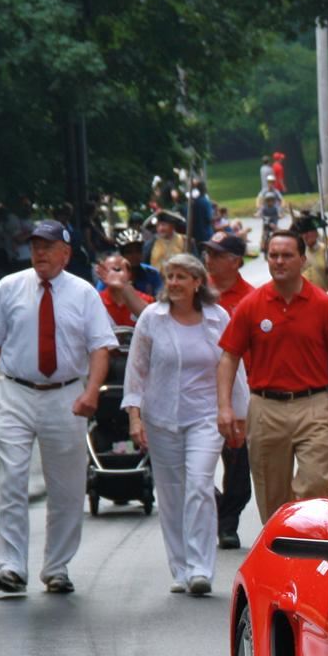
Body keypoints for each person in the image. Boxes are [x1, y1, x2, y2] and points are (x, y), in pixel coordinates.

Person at [0, 220, 117, 594]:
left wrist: (92, 392)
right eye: (35, 246)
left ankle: (57, 567)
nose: (40, 253)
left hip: (66, 394)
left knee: (66, 486)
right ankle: (11, 566)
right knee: (13, 477)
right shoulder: (9, 287)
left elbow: (101, 347)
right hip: (16, 392)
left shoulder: (83, 293)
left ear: (66, 253)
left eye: (48, 247)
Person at [123, 254, 247, 595]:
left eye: (181, 277)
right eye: (170, 276)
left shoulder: (217, 318)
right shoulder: (152, 318)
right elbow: (137, 369)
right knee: (172, 494)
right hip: (160, 416)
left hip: (205, 416)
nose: (174, 283)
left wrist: (238, 412)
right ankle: (179, 567)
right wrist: (135, 415)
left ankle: (200, 568)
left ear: (197, 282)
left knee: (199, 484)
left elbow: (232, 364)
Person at [217, 230, 328, 524]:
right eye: (273, 255)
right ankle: (281, 554)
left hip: (313, 405)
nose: (279, 261)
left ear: (303, 260)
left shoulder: (323, 304)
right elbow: (229, 356)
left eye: (287, 255)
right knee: (272, 496)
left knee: (316, 483)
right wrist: (225, 407)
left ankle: (304, 539)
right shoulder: (252, 305)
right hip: (266, 408)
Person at [201, 233, 255, 548]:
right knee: (191, 465)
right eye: (207, 252)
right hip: (198, 391)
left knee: (237, 461)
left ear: (235, 261)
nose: (209, 259)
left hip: (238, 391)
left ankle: (228, 522)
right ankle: (215, 506)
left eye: (217, 254)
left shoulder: (250, 298)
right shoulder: (196, 292)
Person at [94, 251, 153, 328]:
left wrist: (123, 286)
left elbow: (154, 322)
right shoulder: (96, 301)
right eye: (107, 271)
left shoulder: (146, 300)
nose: (112, 274)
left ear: (129, 274)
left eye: (117, 270)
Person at [297, 214, 328, 291]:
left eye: (308, 232)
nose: (305, 236)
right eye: (303, 233)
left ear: (316, 233)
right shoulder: (299, 252)